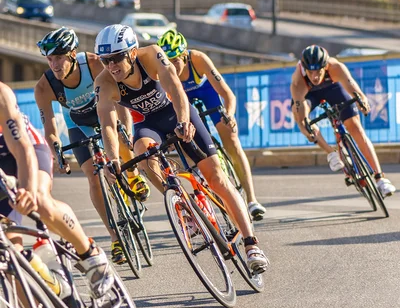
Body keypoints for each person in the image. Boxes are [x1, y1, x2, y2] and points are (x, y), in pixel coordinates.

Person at [94, 24, 269, 274]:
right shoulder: (104, 82)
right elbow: (108, 125)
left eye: (116, 58)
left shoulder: (152, 55)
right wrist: (112, 159)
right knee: (141, 152)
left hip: (176, 113)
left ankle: (252, 244)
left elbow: (176, 88)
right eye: (105, 60)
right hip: (149, 124)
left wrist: (184, 120)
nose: (111, 66)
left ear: (132, 53)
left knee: (217, 177)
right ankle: (179, 203)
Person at [0, 82, 114, 308]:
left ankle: (89, 255)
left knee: (37, 202)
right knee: (10, 265)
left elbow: (21, 147)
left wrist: (24, 189)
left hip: (21, 151)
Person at [34, 27, 150, 264]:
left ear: (72, 54)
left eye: (58, 58)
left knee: (119, 136)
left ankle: (133, 175)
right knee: (93, 177)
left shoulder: (95, 63)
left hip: (105, 111)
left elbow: (120, 102)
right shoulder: (44, 87)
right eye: (49, 59)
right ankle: (116, 237)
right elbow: (51, 131)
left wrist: (125, 131)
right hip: (78, 124)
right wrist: (58, 153)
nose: (54, 65)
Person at [156, 29, 266, 221]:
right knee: (190, 142)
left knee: (230, 137)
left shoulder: (198, 59)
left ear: (184, 55)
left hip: (206, 93)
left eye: (175, 60)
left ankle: (252, 199)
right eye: (168, 61)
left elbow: (227, 94)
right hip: (185, 100)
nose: (172, 66)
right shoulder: (164, 72)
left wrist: (229, 115)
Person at [290, 45, 396, 197]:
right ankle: (331, 153)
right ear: (304, 68)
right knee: (301, 117)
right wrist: (306, 125)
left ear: (325, 66)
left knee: (356, 127)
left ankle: (380, 178)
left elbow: (354, 89)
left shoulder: (335, 67)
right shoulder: (298, 80)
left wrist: (362, 102)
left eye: (318, 71)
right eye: (310, 72)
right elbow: (301, 111)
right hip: (309, 95)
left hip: (333, 88)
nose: (314, 77)